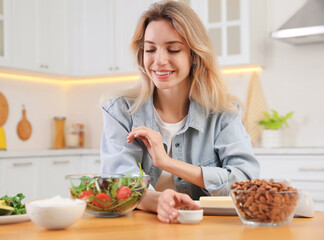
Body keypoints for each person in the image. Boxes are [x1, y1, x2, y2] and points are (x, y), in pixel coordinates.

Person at [100, 0, 259, 223]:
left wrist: (167, 162)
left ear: (194, 55)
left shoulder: (224, 113)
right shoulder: (120, 111)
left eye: (173, 49)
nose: (159, 60)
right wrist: (160, 202)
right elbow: (120, 184)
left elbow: (245, 185)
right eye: (150, 49)